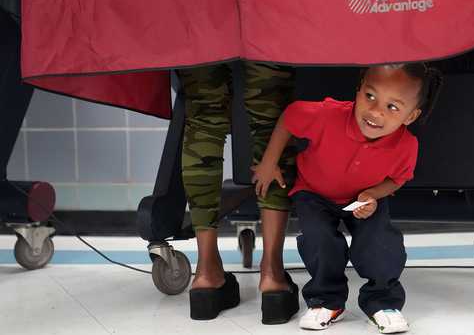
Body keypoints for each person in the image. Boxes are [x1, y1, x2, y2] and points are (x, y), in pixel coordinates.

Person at [253, 63, 443, 333]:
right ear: (358, 90)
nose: (375, 111)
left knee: (380, 243)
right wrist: (269, 162)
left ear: (410, 116)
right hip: (314, 193)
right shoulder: (327, 115)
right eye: (370, 96)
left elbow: (397, 180)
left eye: (392, 107)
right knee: (319, 240)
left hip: (363, 200)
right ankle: (326, 301)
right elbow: (290, 116)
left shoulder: (407, 145)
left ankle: (382, 303)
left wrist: (373, 195)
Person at [179, 62, 299, 324]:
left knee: (203, 113)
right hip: (267, 19)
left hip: (201, 20)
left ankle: (206, 273)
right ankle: (272, 275)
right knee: (271, 111)